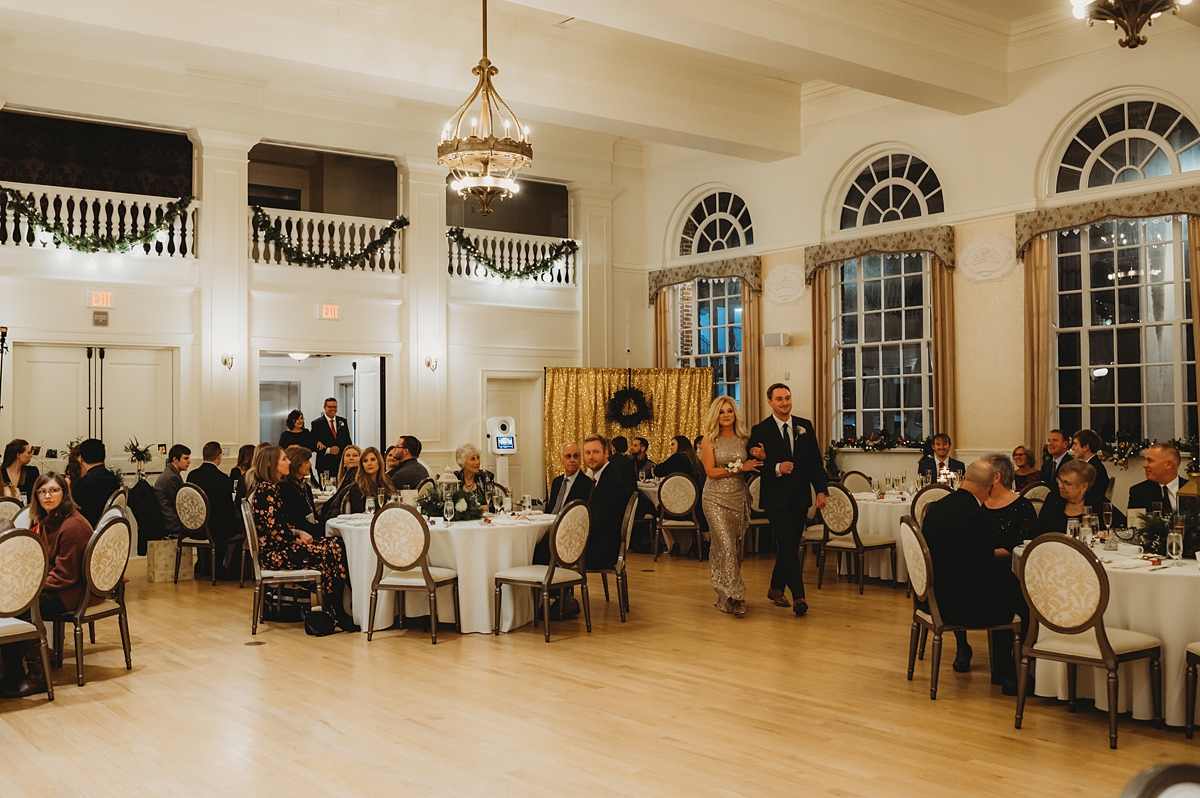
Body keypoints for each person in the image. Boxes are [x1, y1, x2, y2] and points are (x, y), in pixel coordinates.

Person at [919, 460, 1030, 695]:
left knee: (1007, 590)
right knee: (1023, 598)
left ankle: (1003, 669)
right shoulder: (974, 515)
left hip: (933, 598)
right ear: (990, 486)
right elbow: (985, 567)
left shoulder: (936, 508)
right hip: (961, 605)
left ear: (964, 479)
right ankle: (1012, 673)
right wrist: (1016, 582)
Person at [1, 473, 96, 697]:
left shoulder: (72, 525)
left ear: (64, 494)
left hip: (74, 591)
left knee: (19, 609)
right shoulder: (49, 521)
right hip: (59, 584)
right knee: (10, 604)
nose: (47, 495)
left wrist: (29, 589)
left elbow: (65, 575)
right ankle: (13, 674)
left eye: (54, 490)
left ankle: (38, 676)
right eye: (42, 492)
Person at [248, 445, 358, 632]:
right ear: (270, 464)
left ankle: (335, 609)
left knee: (336, 544)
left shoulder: (271, 489)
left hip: (281, 547)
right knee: (332, 549)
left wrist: (297, 533)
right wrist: (296, 536)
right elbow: (276, 532)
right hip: (275, 554)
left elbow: (279, 526)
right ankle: (338, 610)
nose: (288, 462)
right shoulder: (266, 491)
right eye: (284, 459)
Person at [747, 383, 827, 617]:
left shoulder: (805, 426)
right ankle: (799, 596)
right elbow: (754, 466)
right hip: (775, 498)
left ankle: (775, 587)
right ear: (769, 401)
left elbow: (814, 462)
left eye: (787, 398)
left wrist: (821, 490)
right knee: (789, 543)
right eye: (779, 399)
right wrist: (776, 467)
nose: (784, 403)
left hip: (800, 497)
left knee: (789, 546)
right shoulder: (760, 429)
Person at [699, 396, 761, 617]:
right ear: (716, 415)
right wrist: (738, 467)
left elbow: (755, 463)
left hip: (737, 497)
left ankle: (724, 596)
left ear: (735, 414)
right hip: (714, 499)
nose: (726, 415)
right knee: (724, 545)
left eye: (730, 411)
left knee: (734, 548)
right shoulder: (709, 440)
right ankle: (735, 596)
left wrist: (757, 459)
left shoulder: (744, 439)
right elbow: (711, 472)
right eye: (722, 412)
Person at [533, 442, 595, 574]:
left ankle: (555, 589)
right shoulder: (556, 482)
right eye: (568, 456)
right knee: (530, 546)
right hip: (549, 527)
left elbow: (582, 515)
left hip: (568, 534)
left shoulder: (587, 484)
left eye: (576, 456)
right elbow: (551, 509)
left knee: (541, 551)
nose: (572, 460)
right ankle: (535, 591)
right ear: (561, 460)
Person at [186, 441, 242, 578]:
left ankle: (203, 565)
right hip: (215, 529)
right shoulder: (222, 478)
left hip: (194, 527)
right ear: (219, 456)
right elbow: (227, 508)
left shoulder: (192, 476)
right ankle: (229, 569)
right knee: (240, 526)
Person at [581, 434, 632, 570]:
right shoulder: (606, 476)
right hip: (603, 545)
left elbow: (598, 524)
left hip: (602, 552)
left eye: (596, 452)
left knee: (544, 549)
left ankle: (553, 591)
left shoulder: (610, 483)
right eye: (588, 452)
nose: (591, 457)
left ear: (606, 453)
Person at [654, 435, 705, 556]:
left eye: (673, 444)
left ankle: (673, 542)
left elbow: (658, 471)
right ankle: (692, 542)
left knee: (658, 509)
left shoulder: (677, 458)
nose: (670, 448)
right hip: (694, 509)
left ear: (680, 445)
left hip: (674, 510)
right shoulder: (696, 460)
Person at [983, 453, 1038, 560]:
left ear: (996, 477)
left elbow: (1024, 547)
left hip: (1007, 568)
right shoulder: (979, 502)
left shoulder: (1023, 507)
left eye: (983, 474)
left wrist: (984, 553)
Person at [1037, 458, 1099, 535]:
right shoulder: (1053, 499)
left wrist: (1105, 533)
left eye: (1067, 483)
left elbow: (1116, 529)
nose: (1060, 486)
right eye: (1060, 481)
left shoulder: (1098, 503)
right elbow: (1038, 530)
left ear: (1084, 487)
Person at [71, 438, 122, 529]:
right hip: (109, 527)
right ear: (104, 457)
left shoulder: (83, 484)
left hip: (88, 529)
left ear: (81, 459)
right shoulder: (113, 479)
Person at [1127, 442, 1186, 514]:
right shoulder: (1139, 492)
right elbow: (1134, 523)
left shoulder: (1193, 490)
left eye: (1150, 460)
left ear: (1168, 464)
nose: (1144, 465)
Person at [280, 445, 322, 535]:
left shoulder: (306, 486)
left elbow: (313, 514)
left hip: (309, 527)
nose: (310, 465)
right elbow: (293, 518)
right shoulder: (284, 487)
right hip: (299, 532)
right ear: (296, 464)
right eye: (306, 462)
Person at [154, 444, 191, 538]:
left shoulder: (170, 473)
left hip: (170, 519)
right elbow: (180, 503)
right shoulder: (170, 477)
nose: (189, 461)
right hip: (172, 522)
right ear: (175, 459)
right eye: (185, 458)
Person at [342, 446, 394, 514]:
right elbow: (358, 515)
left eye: (373, 459)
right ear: (362, 465)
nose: (369, 464)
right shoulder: (357, 487)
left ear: (379, 462)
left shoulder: (387, 481)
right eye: (365, 461)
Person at [310, 397, 352, 478]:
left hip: (341, 464)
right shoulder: (317, 424)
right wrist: (328, 450)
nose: (333, 409)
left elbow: (347, 441)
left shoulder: (343, 421)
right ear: (324, 407)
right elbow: (312, 445)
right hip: (325, 464)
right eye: (330, 407)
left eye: (335, 407)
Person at [1072, 428, 1109, 502]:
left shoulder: (1093, 468)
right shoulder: (1092, 464)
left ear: (1086, 447)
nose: (1072, 448)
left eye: (1075, 444)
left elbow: (1089, 494)